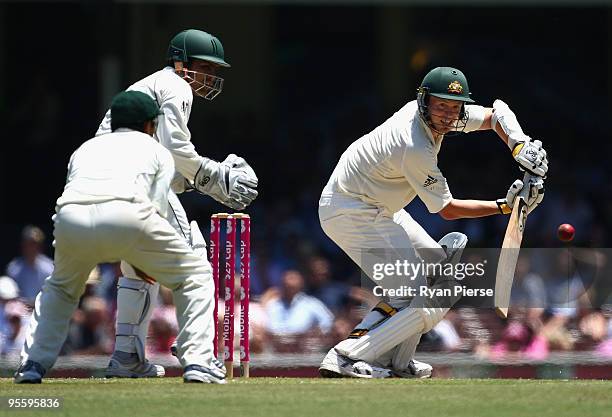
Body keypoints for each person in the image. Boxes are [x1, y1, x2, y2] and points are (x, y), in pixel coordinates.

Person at [317, 67, 548, 378]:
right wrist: (504, 207)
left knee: (443, 279)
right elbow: (447, 210)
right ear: (424, 101)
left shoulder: (443, 115)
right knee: (418, 290)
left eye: (455, 107)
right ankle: (346, 356)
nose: (448, 115)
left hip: (382, 207)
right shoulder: (415, 145)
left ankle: (397, 363)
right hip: (352, 209)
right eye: (441, 106)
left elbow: (497, 115)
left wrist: (519, 146)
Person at [15, 91, 225, 384]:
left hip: (70, 217)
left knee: (61, 289)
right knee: (196, 274)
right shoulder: (157, 151)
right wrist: (142, 259)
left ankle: (32, 364)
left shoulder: (84, 149)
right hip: (128, 214)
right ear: (150, 124)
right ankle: (198, 363)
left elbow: (72, 189)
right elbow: (157, 204)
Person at [95, 29, 258, 378]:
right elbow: (173, 149)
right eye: (204, 67)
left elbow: (165, 161)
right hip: (138, 180)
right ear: (180, 62)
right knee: (195, 266)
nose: (210, 76)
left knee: (139, 266)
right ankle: (198, 357)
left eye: (215, 71)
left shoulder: (152, 86)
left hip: (103, 180)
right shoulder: (175, 85)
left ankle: (126, 356)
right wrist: (215, 177)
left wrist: (200, 180)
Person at [6, 225, 54, 304]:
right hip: (20, 311)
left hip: (43, 310)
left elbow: (53, 294)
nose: (31, 248)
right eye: (28, 244)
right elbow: (9, 296)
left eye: (34, 244)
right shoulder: (13, 269)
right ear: (23, 245)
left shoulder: (49, 268)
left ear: (40, 246)